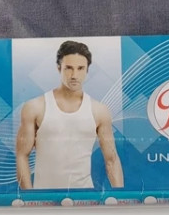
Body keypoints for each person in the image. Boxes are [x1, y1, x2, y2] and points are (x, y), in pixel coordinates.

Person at [15, 40, 124, 190]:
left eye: (80, 68)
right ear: (59, 68)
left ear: (87, 70)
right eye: (68, 68)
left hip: (85, 198)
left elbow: (111, 160)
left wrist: (119, 199)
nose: (74, 75)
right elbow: (22, 155)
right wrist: (30, 198)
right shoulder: (35, 107)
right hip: (43, 198)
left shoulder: (99, 111)